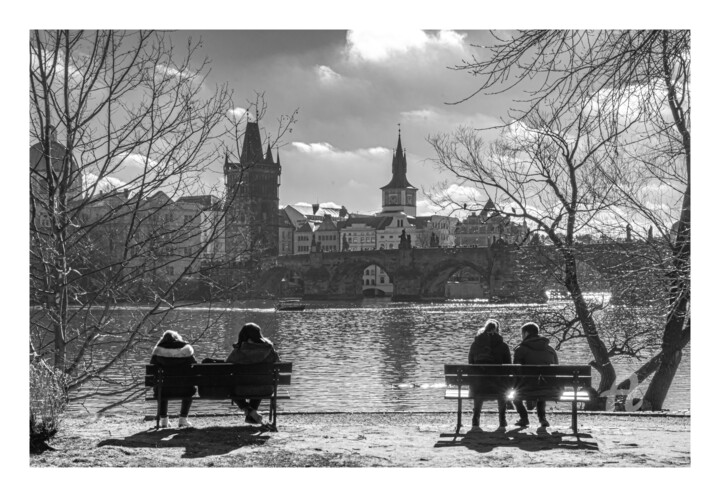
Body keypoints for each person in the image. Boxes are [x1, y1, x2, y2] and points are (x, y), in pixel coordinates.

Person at [226, 322, 280, 425]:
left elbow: (227, 368)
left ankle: (249, 411)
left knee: (227, 386)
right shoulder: (269, 349)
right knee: (259, 381)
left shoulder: (238, 351)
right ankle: (251, 417)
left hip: (241, 390)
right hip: (266, 388)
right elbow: (278, 364)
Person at [512, 322, 559, 428]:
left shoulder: (520, 349)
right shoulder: (550, 349)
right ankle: (542, 419)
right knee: (542, 387)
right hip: (549, 387)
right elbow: (556, 369)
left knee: (514, 394)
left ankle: (524, 418)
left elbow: (516, 371)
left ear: (526, 333)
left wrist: (515, 386)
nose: (521, 336)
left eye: (522, 333)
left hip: (527, 388)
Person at [467, 318, 511, 428]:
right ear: (497, 331)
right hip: (498, 387)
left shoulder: (475, 344)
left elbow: (470, 364)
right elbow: (508, 366)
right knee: (502, 384)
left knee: (479, 380)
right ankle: (502, 419)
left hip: (478, 388)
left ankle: (476, 418)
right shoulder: (503, 346)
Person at [150, 330, 197, 428]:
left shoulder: (158, 351)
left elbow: (151, 370)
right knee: (190, 388)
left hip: (164, 390)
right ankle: (183, 419)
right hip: (185, 389)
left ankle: (164, 421)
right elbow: (196, 368)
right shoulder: (186, 350)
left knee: (160, 388)